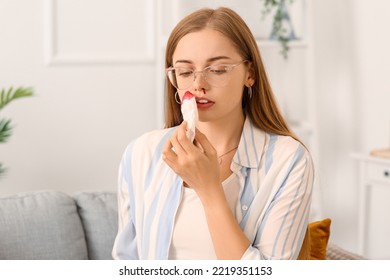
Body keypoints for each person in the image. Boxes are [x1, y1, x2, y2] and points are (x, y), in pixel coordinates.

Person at [112, 6, 314, 260]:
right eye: (185, 72)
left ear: (250, 73)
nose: (198, 85)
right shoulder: (141, 153)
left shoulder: (288, 160)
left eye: (217, 70)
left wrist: (209, 190)